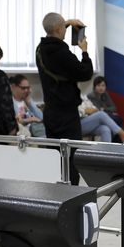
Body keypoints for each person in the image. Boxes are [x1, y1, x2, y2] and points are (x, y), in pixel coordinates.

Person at [35, 12, 94, 183]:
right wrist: (84, 51)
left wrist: (67, 23)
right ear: (59, 29)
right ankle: (71, 195)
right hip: (66, 115)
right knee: (71, 158)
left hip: (50, 113)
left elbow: (53, 31)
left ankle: (54, 194)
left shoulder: (40, 49)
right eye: (64, 28)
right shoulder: (62, 53)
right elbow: (85, 73)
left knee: (55, 157)